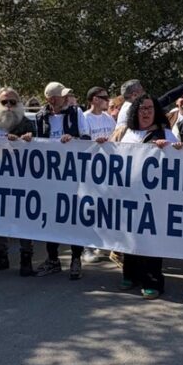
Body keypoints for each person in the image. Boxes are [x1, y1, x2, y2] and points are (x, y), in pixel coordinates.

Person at [109, 94, 179, 299]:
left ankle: (152, 281)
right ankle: (130, 275)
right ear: (135, 112)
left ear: (155, 111)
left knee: (150, 240)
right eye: (142, 108)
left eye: (149, 108)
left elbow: (180, 159)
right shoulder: (126, 132)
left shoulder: (166, 133)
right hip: (129, 195)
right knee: (130, 237)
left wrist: (171, 148)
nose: (146, 112)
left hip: (155, 198)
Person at [33, 81, 91, 280]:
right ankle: (52, 259)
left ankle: (76, 258)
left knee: (74, 217)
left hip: (73, 175)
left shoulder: (76, 113)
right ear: (52, 100)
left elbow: (86, 138)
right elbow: (37, 143)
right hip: (50, 176)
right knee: (51, 218)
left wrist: (74, 140)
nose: (67, 98)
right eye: (62, 96)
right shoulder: (41, 116)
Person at [0, 86, 37, 276]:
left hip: (22, 182)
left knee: (24, 221)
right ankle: (1, 257)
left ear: (19, 104)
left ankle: (26, 259)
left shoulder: (27, 124)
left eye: (12, 102)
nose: (8, 105)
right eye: (4, 102)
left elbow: (40, 151)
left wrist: (27, 140)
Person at [82, 86, 117, 265]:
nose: (107, 100)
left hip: (107, 169)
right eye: (104, 97)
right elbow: (81, 143)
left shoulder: (108, 118)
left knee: (105, 207)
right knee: (89, 207)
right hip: (89, 170)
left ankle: (102, 243)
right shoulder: (84, 118)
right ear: (95, 99)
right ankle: (87, 246)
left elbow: (115, 139)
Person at [116, 70, 183, 127]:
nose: (145, 93)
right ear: (134, 95)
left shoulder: (128, 106)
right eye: (142, 90)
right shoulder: (131, 109)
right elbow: (166, 99)